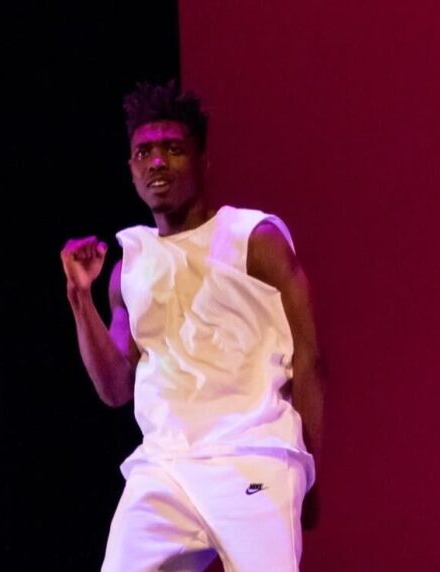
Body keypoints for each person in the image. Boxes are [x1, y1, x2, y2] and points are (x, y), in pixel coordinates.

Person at [60, 80, 325, 571]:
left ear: (203, 161)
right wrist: (80, 297)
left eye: (173, 149)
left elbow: (310, 360)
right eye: (144, 152)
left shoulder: (254, 239)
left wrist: (311, 471)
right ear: (131, 168)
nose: (157, 162)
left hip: (252, 454)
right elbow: (116, 388)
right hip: (164, 466)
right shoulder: (130, 264)